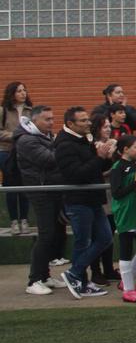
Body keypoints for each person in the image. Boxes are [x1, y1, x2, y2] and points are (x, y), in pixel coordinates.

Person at [54, 106, 116, 298]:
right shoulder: (64, 145)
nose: (88, 123)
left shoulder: (83, 140)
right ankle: (78, 278)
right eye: (83, 121)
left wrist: (106, 157)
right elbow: (76, 175)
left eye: (88, 119)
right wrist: (98, 158)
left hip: (93, 199)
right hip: (78, 201)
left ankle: (76, 275)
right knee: (83, 241)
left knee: (105, 237)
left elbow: (95, 168)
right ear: (70, 124)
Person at [17, 106, 67, 294]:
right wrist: (65, 150)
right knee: (46, 235)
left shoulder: (45, 137)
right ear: (35, 120)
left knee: (52, 234)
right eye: (47, 119)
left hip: (51, 190)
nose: (51, 122)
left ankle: (44, 276)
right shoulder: (26, 140)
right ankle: (34, 281)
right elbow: (48, 160)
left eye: (52, 118)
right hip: (40, 191)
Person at [108, 134, 136, 302]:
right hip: (125, 211)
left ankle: (128, 281)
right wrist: (134, 185)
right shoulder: (118, 167)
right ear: (125, 149)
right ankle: (128, 289)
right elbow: (116, 192)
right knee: (125, 249)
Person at [1, 81, 33, 235]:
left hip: (25, 152)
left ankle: (24, 220)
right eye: (19, 91)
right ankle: (14, 221)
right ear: (12, 93)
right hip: (6, 151)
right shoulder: (3, 111)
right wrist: (14, 136)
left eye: (24, 90)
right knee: (11, 186)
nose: (23, 93)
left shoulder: (31, 111)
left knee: (24, 186)